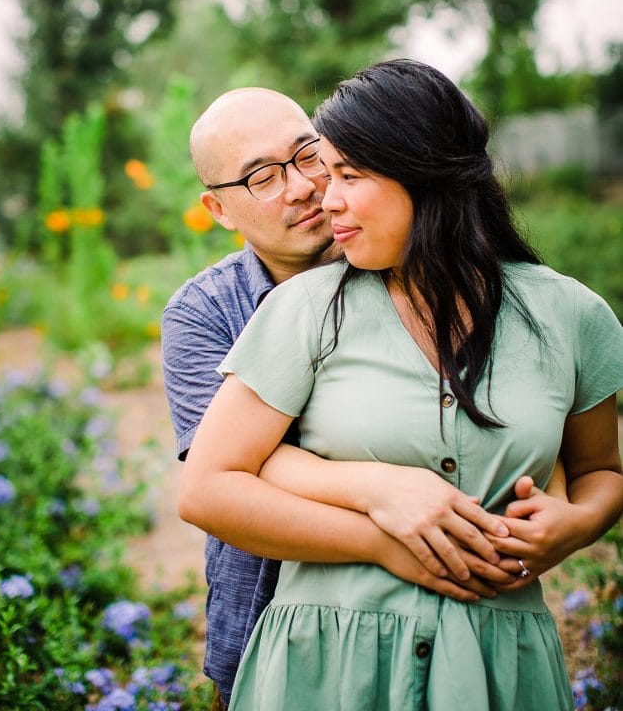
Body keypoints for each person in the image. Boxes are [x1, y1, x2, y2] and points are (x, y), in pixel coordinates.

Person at [178, 63, 623, 711]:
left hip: (496, 660)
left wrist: (575, 523)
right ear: (217, 207)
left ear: (422, 170)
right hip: (323, 655)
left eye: (335, 171)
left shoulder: (569, 315)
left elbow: (598, 469)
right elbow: (214, 479)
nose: (316, 194)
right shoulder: (289, 309)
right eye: (262, 176)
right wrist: (386, 509)